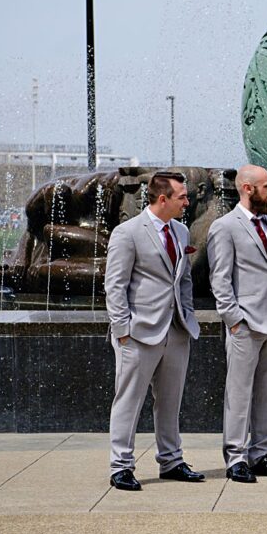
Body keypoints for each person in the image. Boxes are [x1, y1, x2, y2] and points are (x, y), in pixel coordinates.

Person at [104, 170, 205, 491]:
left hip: (176, 331)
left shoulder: (181, 231)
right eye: (182, 197)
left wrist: (187, 317)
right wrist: (122, 330)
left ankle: (171, 461)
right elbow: (115, 286)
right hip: (138, 333)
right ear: (162, 199)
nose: (187, 202)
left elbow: (183, 279)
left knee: (170, 401)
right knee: (128, 401)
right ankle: (121, 466)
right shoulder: (127, 232)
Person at [207, 165, 267, 484]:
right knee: (239, 392)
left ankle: (262, 453)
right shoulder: (224, 227)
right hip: (244, 323)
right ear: (247, 188)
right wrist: (233, 320)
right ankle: (235, 457)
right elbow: (220, 279)